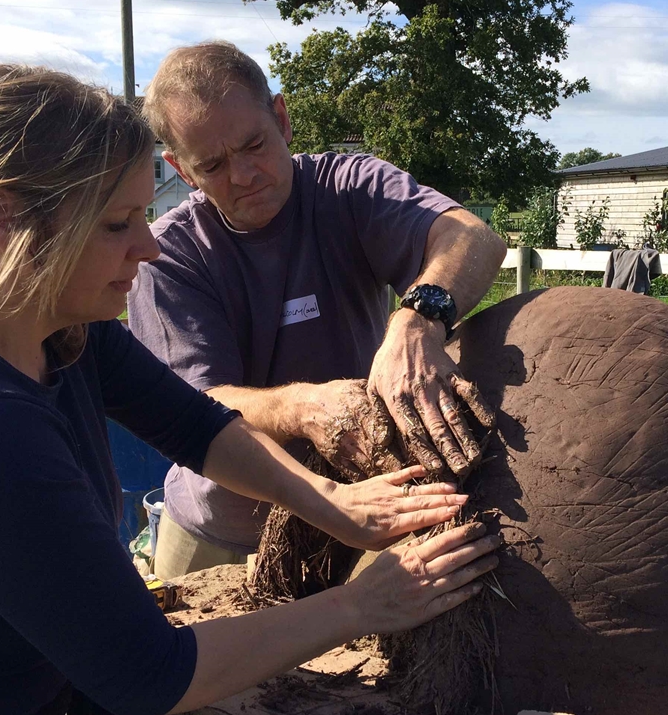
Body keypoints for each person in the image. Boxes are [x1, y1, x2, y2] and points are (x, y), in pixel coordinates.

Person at [0, 64, 500, 715]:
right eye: (119, 224)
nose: (149, 247)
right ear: (5, 221)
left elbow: (193, 422)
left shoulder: (44, 314)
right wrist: (361, 604)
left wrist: (337, 508)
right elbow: (152, 675)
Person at [129, 42, 508, 575]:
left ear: (281, 120)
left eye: (254, 144)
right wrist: (304, 408)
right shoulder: (166, 254)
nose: (243, 175)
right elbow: (198, 404)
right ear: (181, 169)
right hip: (223, 530)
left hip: (365, 512)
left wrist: (418, 319)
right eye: (212, 164)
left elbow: (471, 236)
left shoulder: (348, 186)